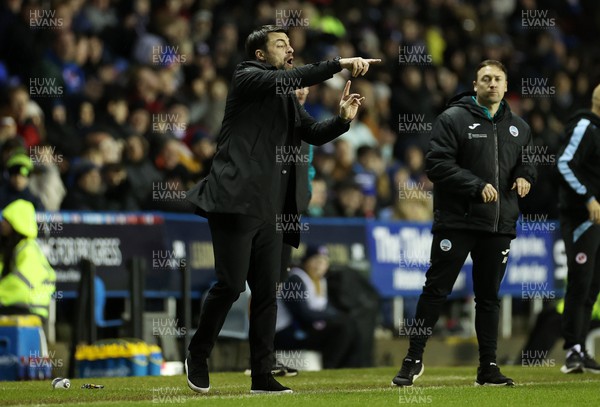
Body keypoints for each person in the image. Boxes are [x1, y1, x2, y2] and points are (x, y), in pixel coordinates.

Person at [185, 24, 379, 394]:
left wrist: (341, 120)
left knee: (267, 292)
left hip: (274, 209)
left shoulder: (288, 97)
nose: (289, 48)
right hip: (235, 202)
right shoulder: (247, 76)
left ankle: (261, 375)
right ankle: (198, 353)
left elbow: (312, 133)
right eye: (280, 44)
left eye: (290, 43)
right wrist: (340, 63)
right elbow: (295, 77)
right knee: (229, 286)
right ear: (260, 54)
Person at [391, 60, 537, 387]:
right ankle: (413, 359)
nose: (492, 84)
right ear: (475, 84)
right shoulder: (453, 118)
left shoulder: (519, 127)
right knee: (435, 290)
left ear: (505, 85)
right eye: (486, 79)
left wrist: (527, 176)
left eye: (498, 79)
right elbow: (436, 164)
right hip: (458, 221)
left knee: (488, 298)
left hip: (498, 225)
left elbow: (528, 163)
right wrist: (475, 185)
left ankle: (488, 367)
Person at [556, 83, 600, 374]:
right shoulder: (586, 126)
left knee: (593, 287)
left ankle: (581, 347)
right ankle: (572, 349)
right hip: (582, 218)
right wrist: (588, 198)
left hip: (597, 219)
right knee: (580, 282)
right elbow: (564, 163)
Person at [275, 245, 361, 369]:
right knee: (341, 329)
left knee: (350, 324)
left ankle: (347, 367)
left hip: (305, 329)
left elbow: (326, 309)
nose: (319, 266)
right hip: (286, 332)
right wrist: (334, 316)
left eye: (324, 262)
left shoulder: (321, 281)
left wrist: (339, 316)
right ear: (306, 262)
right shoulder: (295, 279)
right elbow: (303, 314)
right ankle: (329, 367)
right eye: (316, 261)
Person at [0, 199, 56, 321]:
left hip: (30, 308)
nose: (2, 223)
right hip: (14, 305)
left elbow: (21, 284)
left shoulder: (28, 249)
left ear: (17, 223)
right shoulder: (11, 248)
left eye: (6, 220)